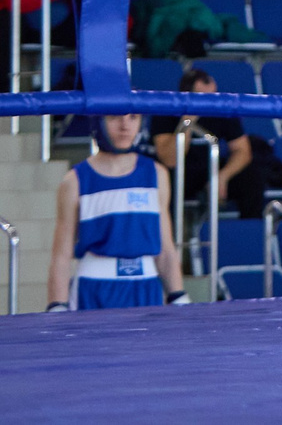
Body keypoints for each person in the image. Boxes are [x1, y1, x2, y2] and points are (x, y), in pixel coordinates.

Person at [46, 111, 182, 310]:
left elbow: (166, 248)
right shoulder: (75, 181)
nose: (125, 126)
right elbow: (61, 254)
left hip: (146, 287)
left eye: (133, 117)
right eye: (115, 117)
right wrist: (57, 305)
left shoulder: (157, 174)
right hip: (93, 289)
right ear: (98, 121)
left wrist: (178, 296)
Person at [150, 67, 282, 220]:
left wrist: (221, 177)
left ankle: (250, 233)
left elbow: (243, 151)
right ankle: (169, 237)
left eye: (211, 96)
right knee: (165, 180)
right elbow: (170, 160)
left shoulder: (221, 108)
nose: (208, 101)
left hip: (211, 170)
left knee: (252, 175)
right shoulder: (167, 109)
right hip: (180, 173)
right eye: (201, 97)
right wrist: (188, 120)